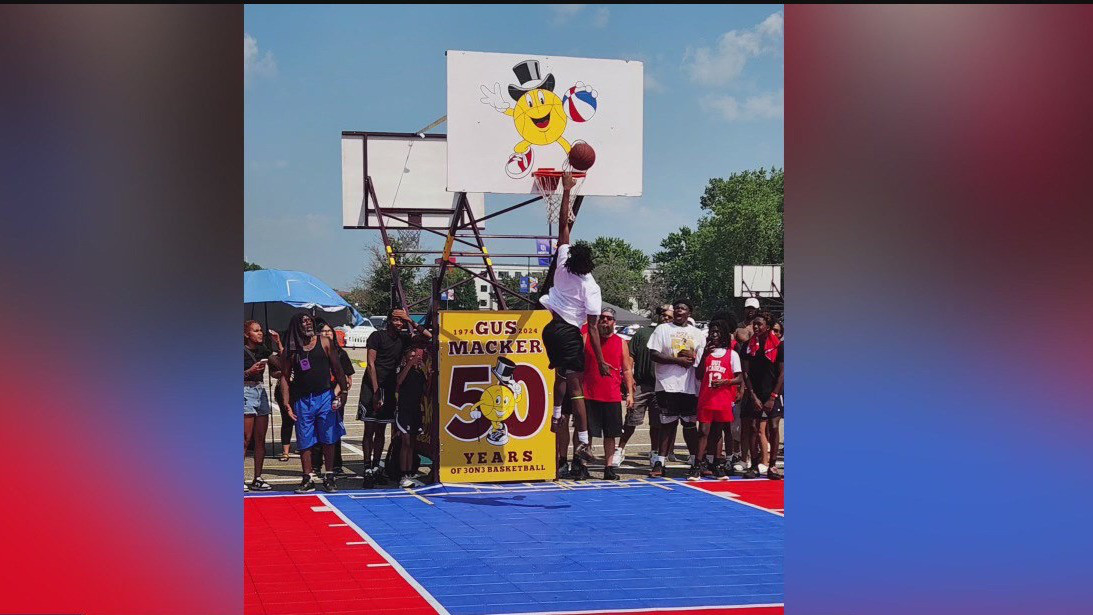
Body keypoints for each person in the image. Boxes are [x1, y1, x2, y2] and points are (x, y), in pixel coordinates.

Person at [539, 171, 610, 477]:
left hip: (549, 328)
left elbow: (564, 226)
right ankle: (583, 442)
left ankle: (556, 415)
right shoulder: (590, 287)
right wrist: (602, 359)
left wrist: (566, 190)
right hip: (568, 332)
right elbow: (592, 328)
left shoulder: (562, 262)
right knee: (577, 386)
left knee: (560, 376)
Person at [278, 313, 347, 493]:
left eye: (309, 321)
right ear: (296, 327)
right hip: (302, 400)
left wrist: (342, 393)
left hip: (325, 396)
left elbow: (338, 369)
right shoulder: (291, 350)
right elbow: (285, 377)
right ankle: (307, 478)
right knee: (305, 440)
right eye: (304, 322)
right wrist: (286, 402)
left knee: (328, 437)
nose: (308, 325)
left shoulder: (324, 341)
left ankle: (329, 476)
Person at [361, 308, 431, 488]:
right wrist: (376, 391)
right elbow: (370, 364)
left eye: (401, 321)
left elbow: (428, 336)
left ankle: (377, 467)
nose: (398, 323)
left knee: (382, 429)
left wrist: (410, 320)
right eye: (395, 320)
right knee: (370, 428)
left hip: (390, 387)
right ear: (389, 320)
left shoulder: (404, 338)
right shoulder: (377, 336)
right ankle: (367, 468)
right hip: (373, 385)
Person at [646, 299, 707, 478]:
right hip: (667, 384)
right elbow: (654, 354)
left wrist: (693, 356)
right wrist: (677, 360)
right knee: (667, 424)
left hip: (689, 386)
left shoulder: (697, 334)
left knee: (689, 424)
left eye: (683, 308)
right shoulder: (662, 329)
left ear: (690, 313)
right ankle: (660, 462)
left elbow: (702, 360)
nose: (679, 311)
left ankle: (696, 461)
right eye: (677, 308)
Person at [581, 308, 634, 481]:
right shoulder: (587, 339)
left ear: (614, 322)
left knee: (611, 434)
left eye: (609, 318)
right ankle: (582, 465)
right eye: (602, 318)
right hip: (589, 393)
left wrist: (630, 394)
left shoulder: (621, 342)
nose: (605, 321)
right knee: (586, 433)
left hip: (611, 395)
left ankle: (609, 467)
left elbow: (626, 369)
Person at [618, 304, 671, 468]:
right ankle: (620, 450)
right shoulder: (643, 333)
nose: (666, 318)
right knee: (631, 420)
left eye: (669, 316)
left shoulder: (672, 335)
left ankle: (654, 452)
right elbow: (630, 357)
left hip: (661, 386)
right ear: (658, 316)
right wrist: (629, 378)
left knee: (657, 423)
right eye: (663, 315)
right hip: (641, 384)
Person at [695, 319, 743, 477]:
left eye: (717, 332)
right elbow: (699, 375)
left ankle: (716, 463)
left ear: (723, 335)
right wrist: (704, 355)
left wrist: (726, 382)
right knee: (703, 431)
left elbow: (739, 378)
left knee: (717, 432)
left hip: (722, 398)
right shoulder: (705, 352)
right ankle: (697, 464)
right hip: (706, 398)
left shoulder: (732, 354)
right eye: (711, 331)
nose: (714, 334)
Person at [741, 311, 784, 480]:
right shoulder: (748, 346)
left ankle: (772, 465)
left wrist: (773, 396)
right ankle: (753, 465)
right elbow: (745, 373)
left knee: (773, 427)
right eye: (754, 324)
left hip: (772, 392)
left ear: (767, 326)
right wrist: (753, 396)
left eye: (760, 324)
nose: (756, 327)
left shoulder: (778, 346)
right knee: (753, 427)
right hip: (755, 393)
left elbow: (782, 373)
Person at [312, 318, 355, 476]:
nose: (326, 333)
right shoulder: (314, 351)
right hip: (318, 395)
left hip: (335, 396)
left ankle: (336, 465)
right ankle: (315, 466)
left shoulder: (340, 353)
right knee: (317, 433)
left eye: (329, 331)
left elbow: (347, 378)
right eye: (323, 331)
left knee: (333, 433)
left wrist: (338, 394)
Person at [244, 320, 275, 492]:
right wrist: (250, 371)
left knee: (260, 438)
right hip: (245, 389)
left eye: (261, 330)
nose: (260, 333)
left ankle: (257, 477)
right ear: (246, 334)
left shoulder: (263, 350)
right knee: (245, 438)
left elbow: (279, 363)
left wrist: (278, 343)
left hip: (260, 390)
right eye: (256, 331)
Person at [395, 340, 430, 488]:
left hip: (416, 410)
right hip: (404, 410)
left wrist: (428, 373)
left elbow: (426, 391)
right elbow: (398, 382)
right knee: (406, 441)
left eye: (417, 355)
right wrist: (410, 364)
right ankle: (403, 475)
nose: (416, 357)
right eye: (412, 355)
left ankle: (410, 472)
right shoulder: (402, 368)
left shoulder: (419, 372)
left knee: (412, 444)